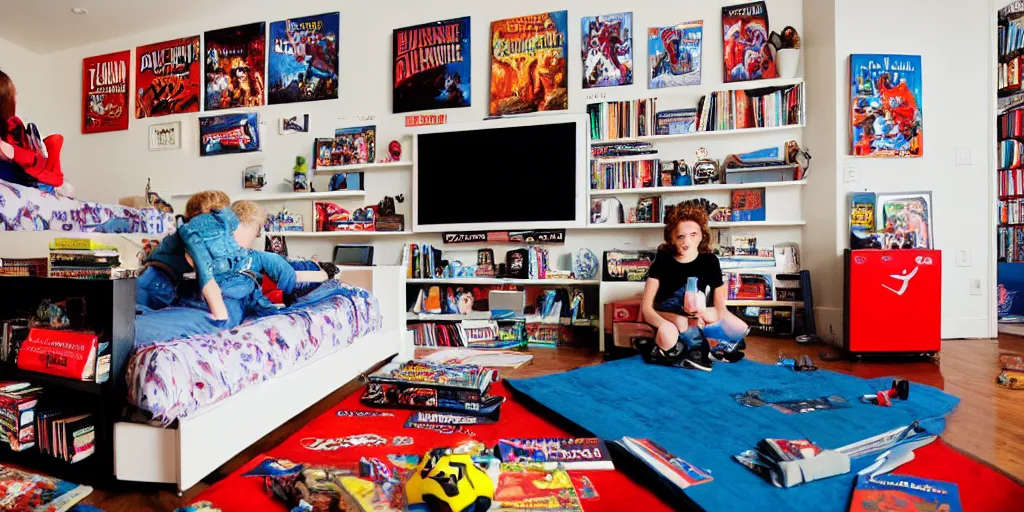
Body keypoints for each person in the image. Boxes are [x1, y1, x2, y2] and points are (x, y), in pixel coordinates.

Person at [639, 206, 749, 370]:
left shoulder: (710, 261)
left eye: (693, 235)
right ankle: (670, 351)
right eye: (680, 236)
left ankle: (709, 348)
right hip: (666, 313)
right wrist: (672, 320)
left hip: (695, 312)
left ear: (702, 237)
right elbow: (646, 309)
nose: (686, 242)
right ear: (672, 238)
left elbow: (720, 308)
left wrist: (712, 318)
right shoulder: (662, 260)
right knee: (671, 332)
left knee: (735, 327)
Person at [176, 199, 296, 327]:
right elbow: (286, 273)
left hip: (196, 302)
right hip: (225, 303)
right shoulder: (257, 257)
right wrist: (288, 297)